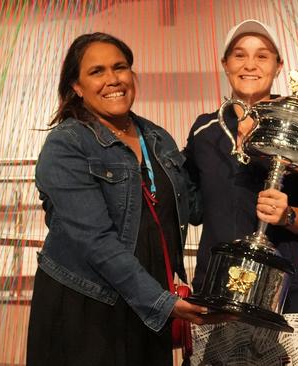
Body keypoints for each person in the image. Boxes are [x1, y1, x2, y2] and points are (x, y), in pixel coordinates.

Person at [27, 32, 218, 366]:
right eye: (97, 71)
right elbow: (95, 241)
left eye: (120, 67)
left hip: (149, 306)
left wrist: (230, 150)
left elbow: (196, 206)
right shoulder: (66, 145)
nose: (112, 79)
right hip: (88, 310)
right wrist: (161, 303)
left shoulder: (157, 138)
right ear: (76, 86)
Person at [183, 20, 298, 366]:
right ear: (225, 64)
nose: (250, 65)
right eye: (239, 55)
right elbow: (192, 207)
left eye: (262, 56)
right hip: (217, 299)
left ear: (278, 66)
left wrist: (288, 215)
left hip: (285, 301)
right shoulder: (204, 131)